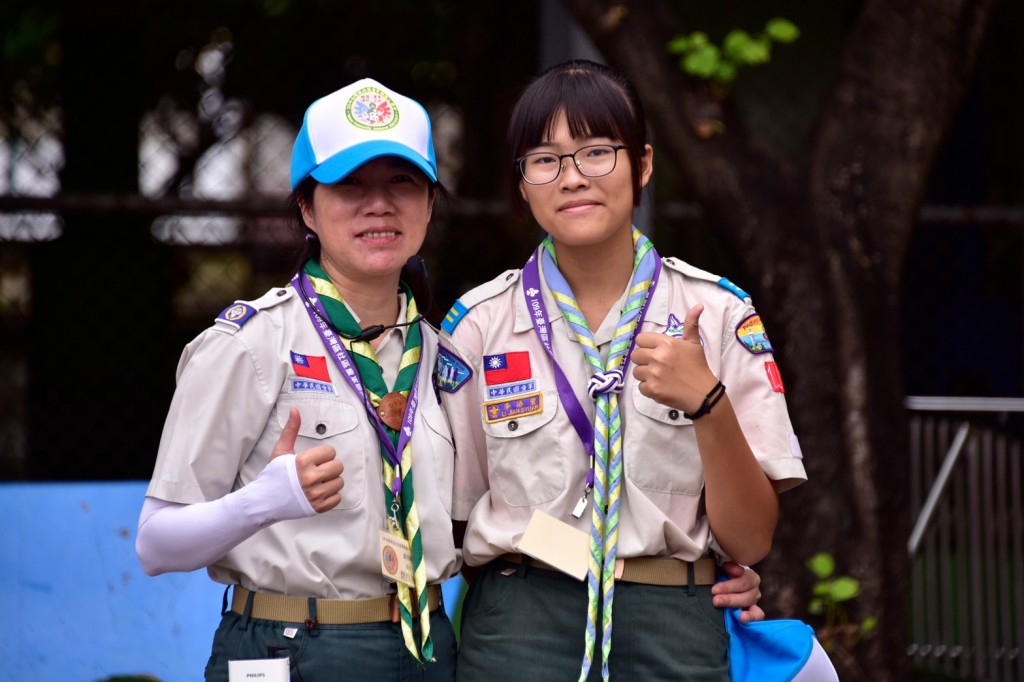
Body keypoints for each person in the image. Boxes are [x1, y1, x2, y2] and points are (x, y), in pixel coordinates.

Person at [436, 59, 808, 681]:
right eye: (545, 160)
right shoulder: (479, 327)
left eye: (596, 152)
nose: (573, 178)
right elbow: (453, 517)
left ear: (643, 164)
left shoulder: (715, 315)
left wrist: (707, 401)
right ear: (522, 184)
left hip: (670, 618)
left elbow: (750, 542)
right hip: (520, 623)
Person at [136, 78, 460, 681]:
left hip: (426, 648)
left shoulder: (443, 359)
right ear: (307, 208)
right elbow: (156, 545)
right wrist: (263, 502)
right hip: (291, 650)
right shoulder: (251, 345)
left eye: (402, 183)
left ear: (430, 204)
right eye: (350, 185)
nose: (379, 205)